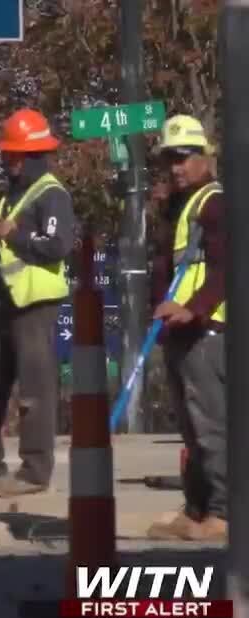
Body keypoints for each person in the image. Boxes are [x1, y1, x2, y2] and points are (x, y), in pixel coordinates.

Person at [0, 109, 77, 498]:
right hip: (1, 304)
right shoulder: (14, 193)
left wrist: (15, 234)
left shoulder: (51, 194)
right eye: (7, 155)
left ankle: (34, 470)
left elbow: (58, 246)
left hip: (33, 305)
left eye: (15, 155)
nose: (8, 162)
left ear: (33, 155)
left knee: (34, 391)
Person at [145, 115, 227, 542]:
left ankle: (224, 513)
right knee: (192, 430)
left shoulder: (215, 202)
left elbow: (224, 269)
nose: (176, 167)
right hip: (179, 332)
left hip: (207, 331)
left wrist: (192, 311)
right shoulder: (178, 206)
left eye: (184, 157)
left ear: (204, 157)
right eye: (170, 159)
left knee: (212, 426)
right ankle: (196, 509)